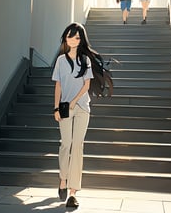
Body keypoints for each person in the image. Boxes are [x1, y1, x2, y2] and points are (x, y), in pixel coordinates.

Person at [52, 22, 94, 209]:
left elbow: (87, 85)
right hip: (64, 108)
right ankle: (63, 179)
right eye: (70, 36)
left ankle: (73, 192)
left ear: (81, 39)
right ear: (65, 38)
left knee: (77, 147)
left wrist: (75, 101)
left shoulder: (85, 60)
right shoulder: (61, 60)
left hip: (82, 108)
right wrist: (56, 108)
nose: (73, 40)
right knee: (65, 144)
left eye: (77, 37)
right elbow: (58, 85)